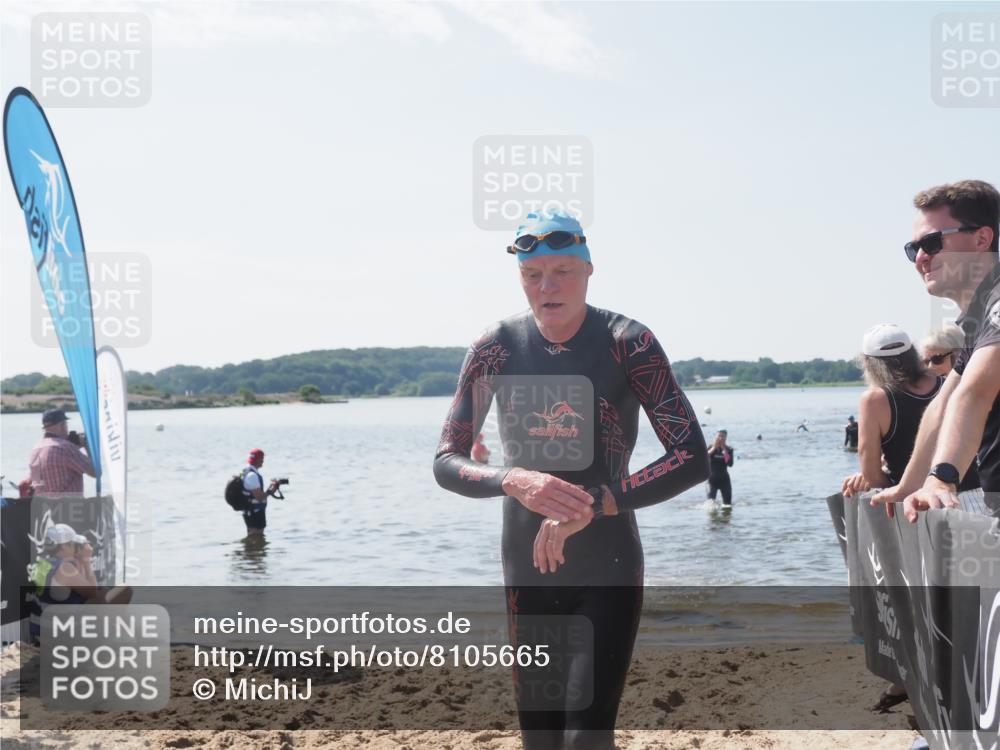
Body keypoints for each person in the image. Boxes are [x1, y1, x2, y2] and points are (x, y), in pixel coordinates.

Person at [433, 209, 709, 750]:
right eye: (533, 274)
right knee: (540, 736)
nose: (547, 285)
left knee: (587, 735)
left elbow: (690, 455)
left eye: (561, 270)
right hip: (526, 564)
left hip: (606, 561)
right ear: (520, 278)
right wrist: (513, 479)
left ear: (588, 270)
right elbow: (447, 459)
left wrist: (599, 503)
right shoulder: (496, 346)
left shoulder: (628, 342)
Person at [872, 180, 999, 521]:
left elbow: (976, 393)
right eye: (914, 249)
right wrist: (909, 485)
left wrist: (941, 479)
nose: (922, 258)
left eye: (932, 242)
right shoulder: (978, 318)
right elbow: (945, 402)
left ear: (981, 238)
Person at [29, 523, 132, 640]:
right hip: (59, 636)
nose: (76, 548)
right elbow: (92, 593)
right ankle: (117, 635)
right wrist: (86, 561)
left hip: (42, 630)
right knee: (124, 589)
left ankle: (116, 632)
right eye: (74, 544)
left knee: (103, 594)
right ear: (64, 547)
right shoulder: (65, 568)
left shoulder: (43, 563)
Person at [28, 409, 95, 497]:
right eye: (66, 424)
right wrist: (87, 446)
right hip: (72, 508)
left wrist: (74, 448)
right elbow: (95, 472)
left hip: (48, 508)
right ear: (62, 425)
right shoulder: (66, 448)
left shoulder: (35, 450)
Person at [240, 449, 281, 535]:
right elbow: (259, 497)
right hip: (255, 512)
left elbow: (253, 493)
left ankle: (253, 548)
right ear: (258, 459)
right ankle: (254, 548)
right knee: (257, 535)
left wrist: (270, 488)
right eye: (262, 459)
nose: (263, 461)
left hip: (250, 511)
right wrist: (271, 491)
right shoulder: (252, 475)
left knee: (254, 538)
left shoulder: (245, 471)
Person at [706, 429, 735, 506]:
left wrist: (724, 450)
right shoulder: (710, 447)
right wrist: (714, 448)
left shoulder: (729, 449)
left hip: (724, 480)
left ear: (726, 438)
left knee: (727, 505)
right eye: (719, 436)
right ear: (715, 437)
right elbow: (705, 458)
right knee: (711, 505)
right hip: (712, 481)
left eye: (723, 436)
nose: (721, 438)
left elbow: (730, 464)